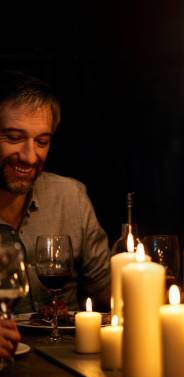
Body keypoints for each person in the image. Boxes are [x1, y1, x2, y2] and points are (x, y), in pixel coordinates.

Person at [0, 71, 110, 314]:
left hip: (65, 352)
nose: (29, 157)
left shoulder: (70, 197)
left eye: (41, 142)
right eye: (14, 137)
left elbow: (107, 290)